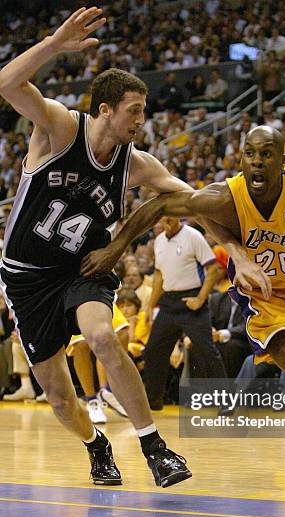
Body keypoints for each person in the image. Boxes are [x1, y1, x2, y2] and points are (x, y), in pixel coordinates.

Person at [82, 125, 285, 503]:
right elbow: (159, 205)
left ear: (283, 159)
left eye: (266, 153)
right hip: (270, 301)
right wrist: (116, 249)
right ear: (241, 158)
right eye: (250, 154)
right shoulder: (225, 196)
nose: (257, 161)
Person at [0, 7, 193, 488]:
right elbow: (6, 85)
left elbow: (193, 198)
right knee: (60, 397)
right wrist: (52, 44)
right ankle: (97, 446)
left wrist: (245, 248)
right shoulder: (60, 129)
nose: (141, 121)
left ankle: (155, 449)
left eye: (143, 112)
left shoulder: (136, 163)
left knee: (103, 336)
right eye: (134, 111)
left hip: (84, 266)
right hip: (26, 275)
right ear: (105, 109)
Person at [143, 216, 226, 410]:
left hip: (191, 300)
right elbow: (158, 275)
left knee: (207, 352)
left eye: (169, 215)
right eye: (162, 217)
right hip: (169, 302)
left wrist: (200, 299)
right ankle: (154, 399)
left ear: (178, 215)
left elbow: (213, 269)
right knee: (153, 349)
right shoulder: (159, 241)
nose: (166, 220)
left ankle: (226, 402)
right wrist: (149, 306)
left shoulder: (193, 236)